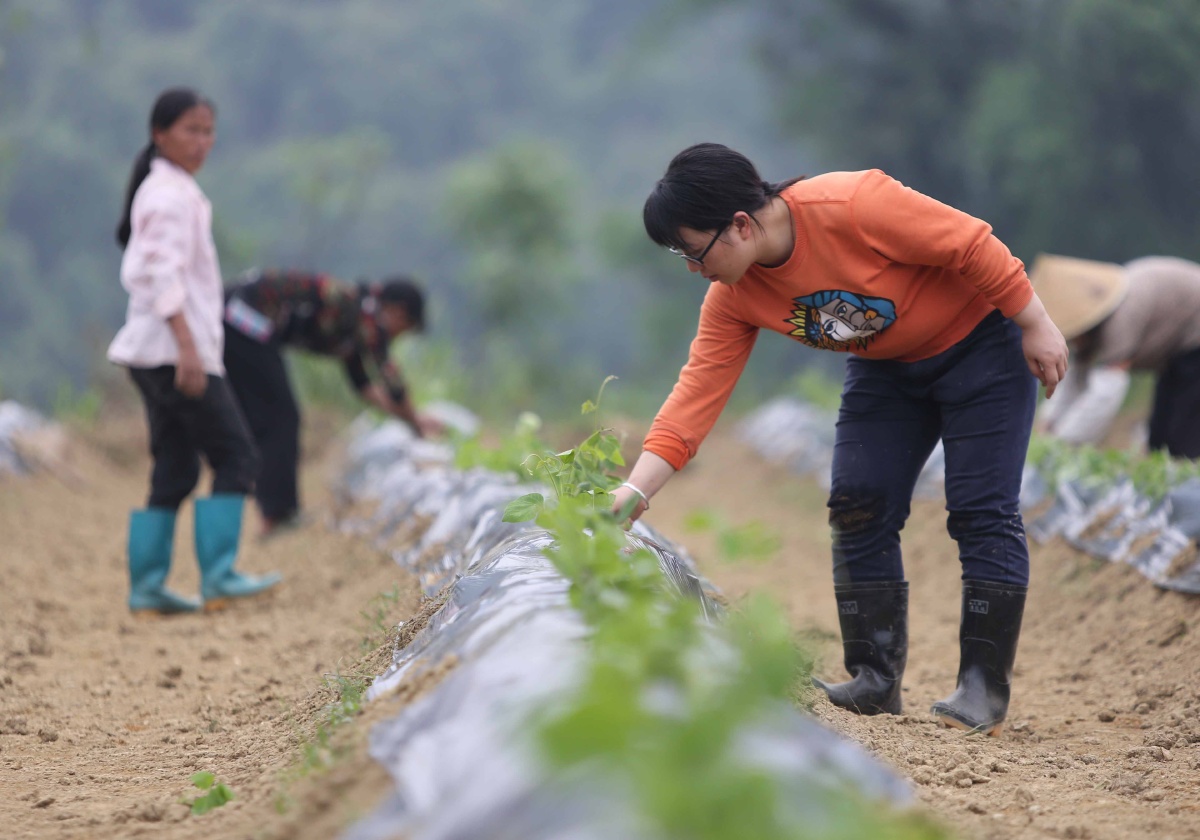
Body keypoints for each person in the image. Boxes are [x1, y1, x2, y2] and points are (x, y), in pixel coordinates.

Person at [612, 143, 1068, 736]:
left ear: (741, 225)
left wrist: (1034, 322)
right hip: (887, 370)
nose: (694, 269)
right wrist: (634, 493)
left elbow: (970, 242)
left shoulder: (853, 205)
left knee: (981, 508)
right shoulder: (734, 297)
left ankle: (982, 686)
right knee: (857, 501)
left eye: (694, 252)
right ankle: (874, 680)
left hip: (983, 347)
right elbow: (695, 396)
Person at [108, 87, 281, 615]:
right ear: (159, 135)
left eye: (208, 132)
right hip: (173, 351)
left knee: (177, 465)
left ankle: (148, 586)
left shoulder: (172, 189)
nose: (202, 141)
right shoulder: (168, 196)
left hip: (154, 351)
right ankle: (219, 575)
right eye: (191, 130)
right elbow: (163, 273)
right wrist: (188, 347)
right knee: (237, 455)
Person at [221, 269, 442, 536]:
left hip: (236, 317)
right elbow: (392, 382)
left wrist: (410, 418)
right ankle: (277, 515)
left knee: (266, 416)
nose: (398, 336)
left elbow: (365, 387)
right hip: (243, 315)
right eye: (405, 328)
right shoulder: (365, 313)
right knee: (280, 417)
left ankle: (276, 511)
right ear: (397, 312)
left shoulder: (353, 321)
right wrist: (416, 425)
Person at [1031, 254, 1200, 459]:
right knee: (1158, 439)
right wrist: (1048, 423)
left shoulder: (1121, 318)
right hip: (1178, 351)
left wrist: (1062, 443)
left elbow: (1106, 393)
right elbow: (1074, 381)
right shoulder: (1091, 330)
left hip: (1194, 340)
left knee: (1181, 440)